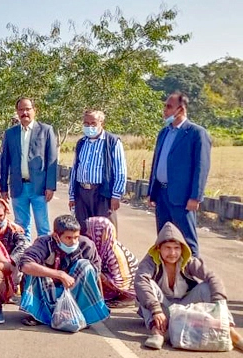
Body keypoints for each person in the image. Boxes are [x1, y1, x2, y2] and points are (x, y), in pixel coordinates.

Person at [135, 222, 242, 350]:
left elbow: (212, 276)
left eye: (176, 248)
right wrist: (156, 309)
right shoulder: (150, 261)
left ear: (182, 249)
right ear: (158, 248)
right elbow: (141, 281)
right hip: (161, 310)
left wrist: (219, 304)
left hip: (184, 308)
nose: (172, 253)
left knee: (206, 287)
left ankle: (231, 332)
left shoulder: (188, 261)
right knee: (146, 286)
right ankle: (157, 332)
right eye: (167, 248)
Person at [148, 92, 211, 257]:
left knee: (186, 242)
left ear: (181, 109)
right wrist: (151, 192)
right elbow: (156, 162)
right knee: (164, 240)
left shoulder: (196, 133)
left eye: (169, 106)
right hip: (162, 194)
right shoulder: (164, 132)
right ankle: (167, 279)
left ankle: (192, 278)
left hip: (182, 198)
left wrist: (195, 197)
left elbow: (201, 167)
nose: (165, 110)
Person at [18, 214, 109, 329]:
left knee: (86, 266)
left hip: (73, 291)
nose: (73, 242)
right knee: (34, 268)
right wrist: (60, 275)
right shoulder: (44, 243)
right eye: (68, 238)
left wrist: (100, 303)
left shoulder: (86, 245)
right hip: (48, 291)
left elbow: (95, 275)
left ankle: (80, 312)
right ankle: (38, 314)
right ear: (56, 236)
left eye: (76, 237)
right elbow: (25, 265)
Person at [0, 98, 58, 241]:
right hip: (18, 187)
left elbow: (52, 160)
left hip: (39, 187)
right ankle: (24, 256)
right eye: (21, 110)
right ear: (17, 112)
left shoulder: (46, 130)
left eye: (27, 109)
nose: (24, 112)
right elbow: (5, 161)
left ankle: (44, 256)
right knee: (21, 226)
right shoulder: (10, 133)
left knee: (43, 226)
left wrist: (50, 186)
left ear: (34, 110)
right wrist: (3, 188)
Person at [68, 110, 127, 232]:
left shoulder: (112, 142)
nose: (89, 127)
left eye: (93, 123)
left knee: (104, 230)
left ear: (102, 123)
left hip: (102, 193)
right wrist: (72, 195)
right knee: (82, 230)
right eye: (86, 123)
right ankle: (87, 252)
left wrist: (116, 195)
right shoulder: (81, 143)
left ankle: (106, 251)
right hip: (82, 193)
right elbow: (75, 169)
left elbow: (120, 170)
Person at [84, 217, 137, 307]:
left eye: (91, 230)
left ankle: (127, 299)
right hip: (109, 278)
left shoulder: (115, 254)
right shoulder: (100, 248)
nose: (87, 233)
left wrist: (98, 273)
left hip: (124, 286)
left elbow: (120, 282)